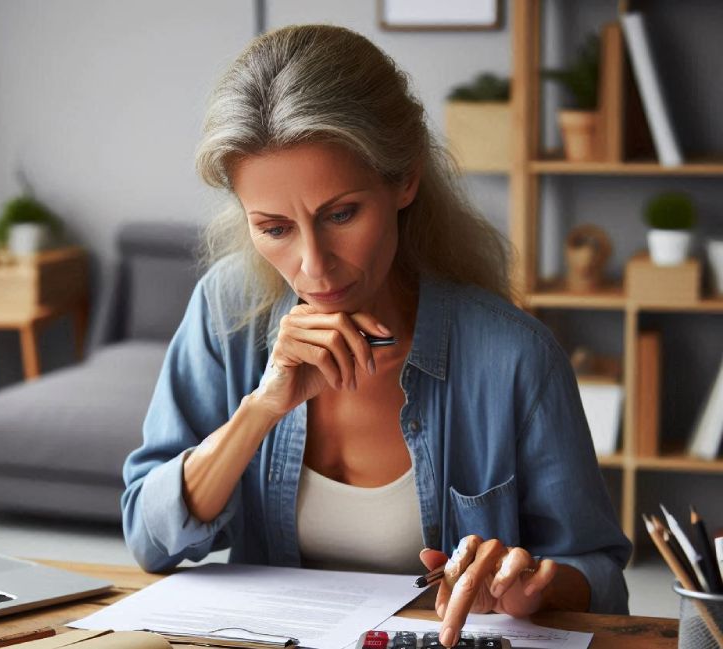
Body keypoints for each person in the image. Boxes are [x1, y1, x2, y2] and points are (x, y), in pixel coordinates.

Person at [122, 24, 631, 646]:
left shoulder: (514, 356)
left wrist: (536, 587)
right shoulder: (226, 308)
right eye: (274, 227)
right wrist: (260, 409)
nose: (314, 265)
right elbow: (149, 541)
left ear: (405, 179)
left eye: (341, 215)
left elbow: (600, 574)